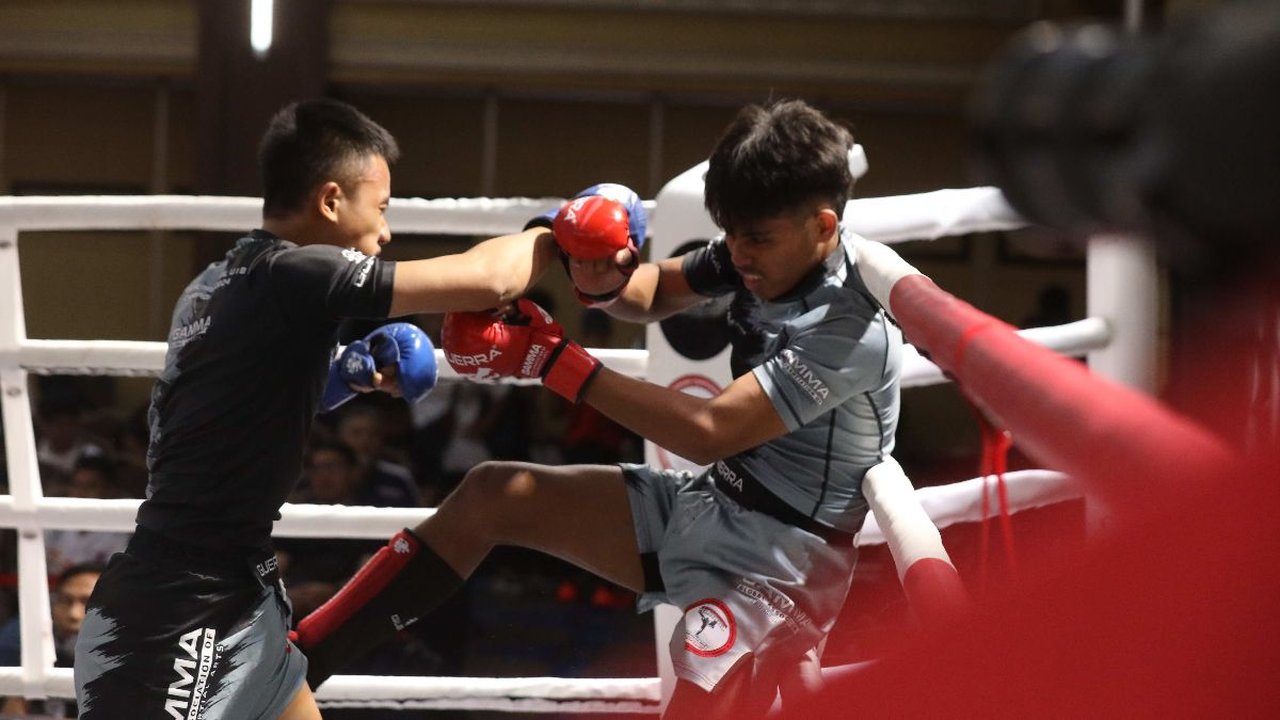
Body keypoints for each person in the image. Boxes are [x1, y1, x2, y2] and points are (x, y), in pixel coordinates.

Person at [295, 99, 902, 719]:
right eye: (733, 234)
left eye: (757, 240)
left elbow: (711, 430)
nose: (739, 255)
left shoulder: (851, 330)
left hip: (783, 565)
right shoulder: (757, 251)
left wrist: (552, 361)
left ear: (823, 228)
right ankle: (299, 661)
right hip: (717, 501)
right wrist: (589, 262)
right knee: (493, 494)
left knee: (699, 676)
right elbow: (650, 291)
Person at [73, 98, 562, 720]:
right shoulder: (298, 275)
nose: (385, 233)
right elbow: (488, 281)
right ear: (331, 201)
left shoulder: (216, 283)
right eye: (380, 209)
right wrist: (552, 232)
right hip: (181, 608)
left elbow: (242, 405)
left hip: (235, 585)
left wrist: (347, 375)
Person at [1, 562, 104, 717]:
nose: (73, 614)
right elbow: (11, 713)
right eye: (65, 600)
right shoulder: (24, 642)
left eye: (88, 602)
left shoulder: (137, 655)